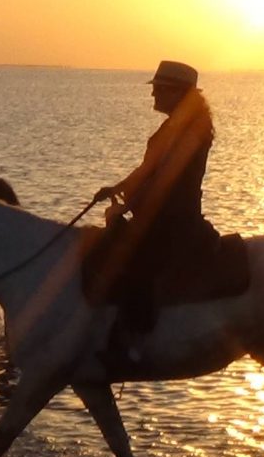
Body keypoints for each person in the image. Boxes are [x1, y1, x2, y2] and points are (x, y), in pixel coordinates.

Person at [92, 60, 220, 364]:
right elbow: (148, 169)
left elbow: (168, 178)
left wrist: (131, 204)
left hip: (175, 220)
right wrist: (117, 188)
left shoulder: (193, 131)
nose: (154, 96)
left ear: (178, 93)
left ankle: (134, 341)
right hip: (160, 215)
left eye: (159, 90)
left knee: (129, 261)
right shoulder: (175, 124)